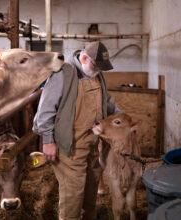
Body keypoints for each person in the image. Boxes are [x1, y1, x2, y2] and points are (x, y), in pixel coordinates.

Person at [33, 41, 124, 220]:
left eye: (101, 68)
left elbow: (107, 101)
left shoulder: (96, 74)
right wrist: (48, 140)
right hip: (70, 148)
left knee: (90, 194)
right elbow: (45, 111)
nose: (98, 71)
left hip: (92, 145)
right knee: (72, 198)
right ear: (83, 58)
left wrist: (123, 117)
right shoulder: (63, 74)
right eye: (96, 66)